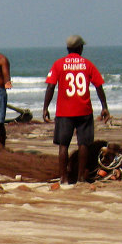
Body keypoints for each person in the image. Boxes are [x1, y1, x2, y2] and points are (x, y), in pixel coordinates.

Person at [42, 35, 109, 184]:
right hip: (84, 110)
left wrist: (45, 107)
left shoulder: (58, 64)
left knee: (63, 145)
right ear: (80, 48)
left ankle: (63, 178)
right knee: (83, 144)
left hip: (64, 112)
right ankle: (80, 178)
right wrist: (104, 106)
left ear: (68, 49)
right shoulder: (87, 64)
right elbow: (98, 86)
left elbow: (51, 86)